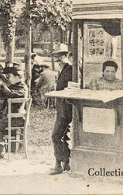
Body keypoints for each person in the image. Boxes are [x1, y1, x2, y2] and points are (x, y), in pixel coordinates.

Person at [50, 43, 73, 175]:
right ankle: (65, 162)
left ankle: (60, 163)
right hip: (61, 107)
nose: (58, 58)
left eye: (61, 55)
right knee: (62, 135)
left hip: (66, 107)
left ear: (67, 55)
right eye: (56, 56)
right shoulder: (61, 69)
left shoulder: (70, 69)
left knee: (56, 135)